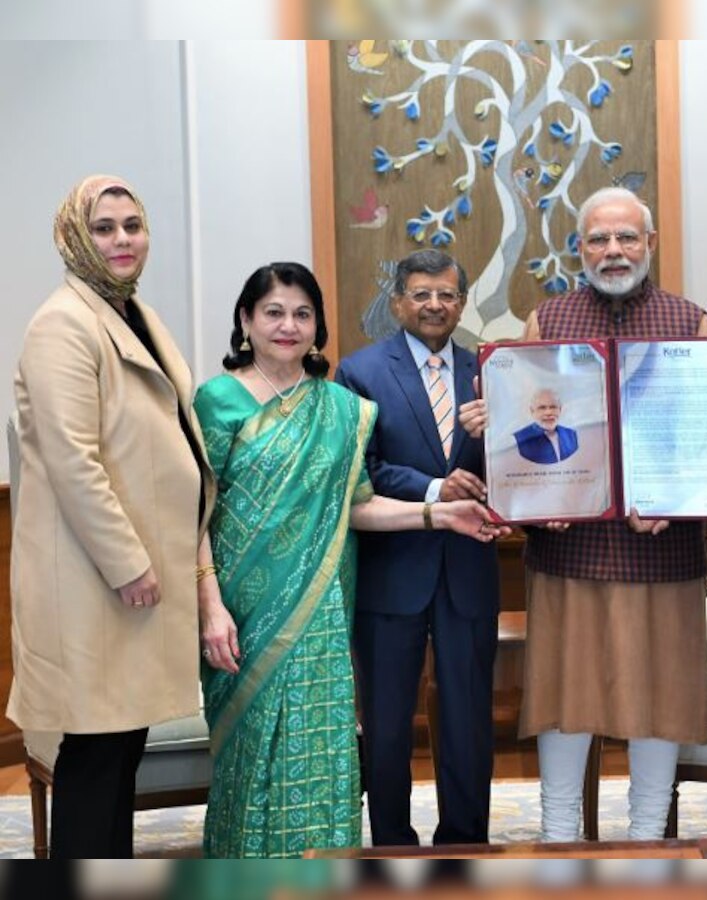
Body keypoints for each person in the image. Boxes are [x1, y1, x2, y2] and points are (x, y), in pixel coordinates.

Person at [195, 261, 501, 858]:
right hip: (251, 606)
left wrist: (443, 511)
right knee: (291, 737)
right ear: (246, 320)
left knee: (326, 741)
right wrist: (209, 601)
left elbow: (356, 501)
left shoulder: (338, 404)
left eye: (302, 314)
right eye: (274, 313)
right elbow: (192, 510)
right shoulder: (219, 400)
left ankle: (332, 866)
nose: (288, 326)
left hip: (326, 603)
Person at [461, 186, 707, 841]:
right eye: (599, 239)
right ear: (579, 249)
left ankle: (645, 834)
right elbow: (522, 431)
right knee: (562, 691)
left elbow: (705, 438)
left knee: (661, 695)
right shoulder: (546, 323)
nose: (613, 251)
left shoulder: (692, 324)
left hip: (664, 547)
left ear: (650, 244)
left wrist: (678, 500)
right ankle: (559, 830)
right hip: (569, 546)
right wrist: (499, 428)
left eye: (627, 237)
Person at [8, 174, 216, 858]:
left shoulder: (130, 312)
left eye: (133, 225)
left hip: (127, 584)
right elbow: (73, 460)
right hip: (94, 583)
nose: (123, 239)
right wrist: (128, 562)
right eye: (105, 228)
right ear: (74, 236)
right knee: (95, 759)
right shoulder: (62, 324)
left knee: (120, 752)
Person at [334, 249, 500, 847]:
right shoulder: (359, 373)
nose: (435, 304)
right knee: (385, 722)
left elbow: (520, 465)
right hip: (391, 570)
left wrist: (496, 438)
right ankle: (392, 842)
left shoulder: (490, 370)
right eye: (422, 294)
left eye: (448, 294)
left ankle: (463, 841)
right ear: (399, 302)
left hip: (469, 571)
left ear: (461, 302)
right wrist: (435, 488)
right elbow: (361, 469)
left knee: (467, 717)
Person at [513, 388, 579, 464]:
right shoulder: (519, 439)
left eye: (553, 407)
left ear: (560, 409)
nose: (548, 412)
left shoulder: (571, 435)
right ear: (532, 411)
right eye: (542, 408)